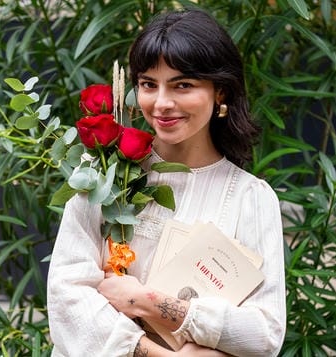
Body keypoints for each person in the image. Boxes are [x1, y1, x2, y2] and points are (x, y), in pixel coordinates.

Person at [47, 8, 286, 357]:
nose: (162, 103)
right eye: (148, 84)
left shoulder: (251, 198)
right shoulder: (102, 174)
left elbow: (264, 334)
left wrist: (146, 301)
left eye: (182, 85)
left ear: (220, 91)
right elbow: (67, 300)